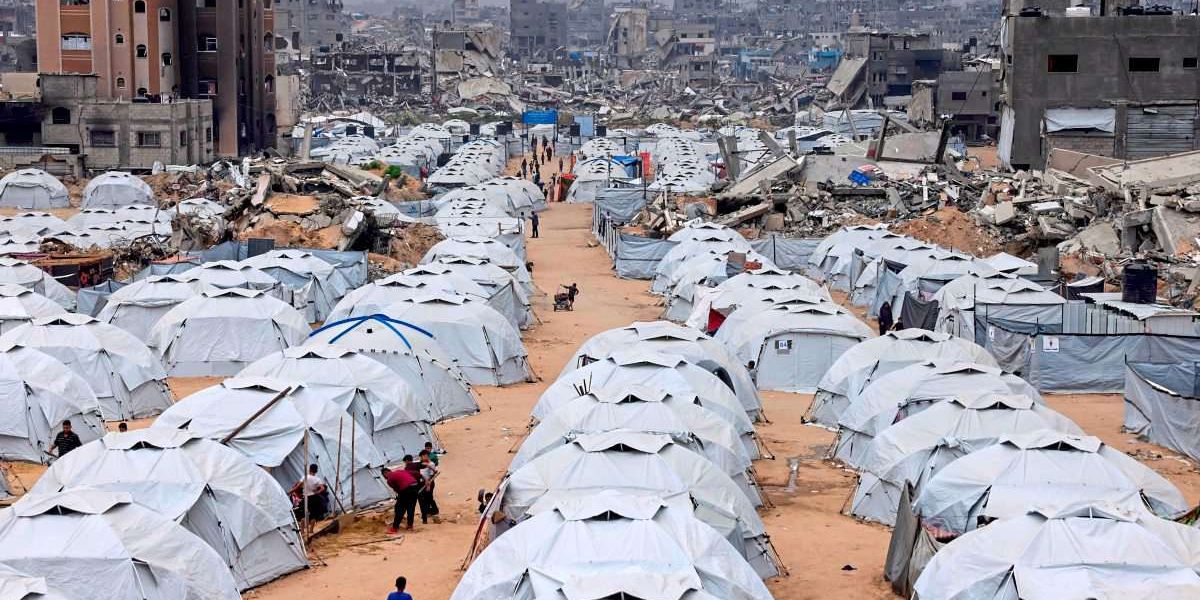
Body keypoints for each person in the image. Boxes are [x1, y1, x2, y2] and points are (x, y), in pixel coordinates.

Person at [384, 458, 421, 533]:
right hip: (415, 486)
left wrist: (399, 498)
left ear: (385, 474)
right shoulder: (401, 471)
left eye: (384, 476)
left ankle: (394, 528)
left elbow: (397, 490)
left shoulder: (389, 479)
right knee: (411, 508)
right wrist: (425, 481)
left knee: (400, 508)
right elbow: (417, 473)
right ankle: (410, 526)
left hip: (406, 489)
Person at [417, 450, 440, 524]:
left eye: (424, 456)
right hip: (423, 483)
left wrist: (428, 485)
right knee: (425, 498)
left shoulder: (431, 464)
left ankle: (435, 510)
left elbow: (431, 475)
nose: (422, 458)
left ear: (427, 456)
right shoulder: (421, 463)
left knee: (429, 497)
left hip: (429, 483)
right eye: (421, 457)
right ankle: (428, 512)